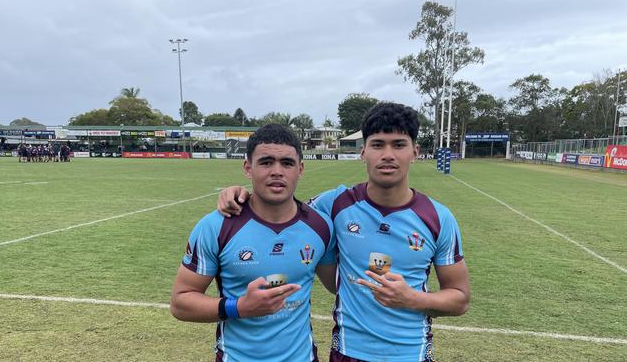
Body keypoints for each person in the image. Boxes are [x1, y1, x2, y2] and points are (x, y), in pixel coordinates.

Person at [217, 102, 470, 362]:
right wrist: (241, 195)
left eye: (398, 144)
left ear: (414, 152)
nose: (388, 154)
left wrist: (412, 298)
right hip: (347, 353)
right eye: (377, 144)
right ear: (363, 152)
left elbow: (459, 298)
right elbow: (284, 209)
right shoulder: (336, 203)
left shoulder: (438, 218)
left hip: (412, 354)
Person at [170, 124, 337, 362]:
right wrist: (239, 307)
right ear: (248, 168)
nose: (277, 171)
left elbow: (336, 285)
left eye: (287, 163)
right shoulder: (216, 227)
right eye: (266, 162)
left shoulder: (320, 226)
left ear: (300, 169)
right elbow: (180, 302)